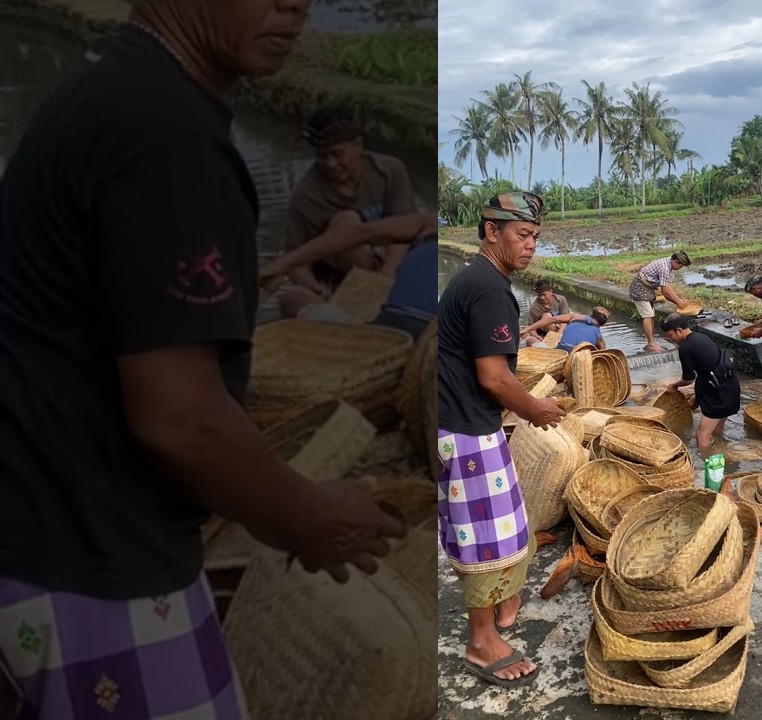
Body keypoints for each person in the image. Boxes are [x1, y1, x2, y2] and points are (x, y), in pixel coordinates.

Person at [0, 2, 407, 717]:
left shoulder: (115, 87)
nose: (296, 7)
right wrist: (305, 517)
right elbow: (181, 418)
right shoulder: (166, 137)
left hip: (43, 529)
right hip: (94, 562)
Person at [437, 191, 567, 688]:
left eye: (535, 236)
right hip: (467, 431)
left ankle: (503, 602)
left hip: (469, 424)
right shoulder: (490, 288)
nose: (532, 245)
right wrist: (536, 410)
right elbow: (493, 377)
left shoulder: (477, 278)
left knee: (507, 528)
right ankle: (480, 642)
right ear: (492, 232)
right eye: (523, 235)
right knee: (484, 540)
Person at [277, 105, 419, 317]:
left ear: (358, 145)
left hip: (388, 269)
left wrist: (386, 274)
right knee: (292, 298)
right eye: (322, 157)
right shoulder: (306, 197)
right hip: (338, 283)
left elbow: (407, 230)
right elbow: (295, 260)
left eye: (337, 154)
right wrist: (316, 288)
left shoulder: (389, 171)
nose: (330, 164)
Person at [262, 212, 438, 338]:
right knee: (294, 297)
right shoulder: (430, 223)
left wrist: (282, 265)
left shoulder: (431, 223)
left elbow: (361, 233)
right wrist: (282, 265)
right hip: (386, 335)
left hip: (399, 338)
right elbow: (359, 233)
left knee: (293, 298)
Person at [661, 313, 741, 457]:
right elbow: (706, 370)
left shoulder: (685, 347)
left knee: (701, 436)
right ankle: (722, 453)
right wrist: (697, 399)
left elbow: (688, 379)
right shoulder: (701, 337)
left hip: (717, 394)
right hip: (730, 387)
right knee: (716, 431)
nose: (670, 339)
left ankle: (706, 466)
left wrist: (674, 386)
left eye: (670, 335)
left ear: (679, 330)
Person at [629, 251, 693, 352]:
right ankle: (651, 343)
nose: (679, 268)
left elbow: (667, 285)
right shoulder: (664, 267)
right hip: (639, 288)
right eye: (680, 266)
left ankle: (652, 341)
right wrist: (678, 302)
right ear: (675, 261)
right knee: (648, 315)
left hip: (646, 288)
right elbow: (665, 292)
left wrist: (678, 298)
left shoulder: (668, 264)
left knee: (651, 314)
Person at [520, 307, 610, 352]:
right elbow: (602, 352)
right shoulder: (599, 336)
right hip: (577, 357)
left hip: (560, 353)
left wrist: (527, 329)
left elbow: (551, 319)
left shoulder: (575, 316)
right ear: (602, 324)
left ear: (591, 314)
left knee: (530, 340)